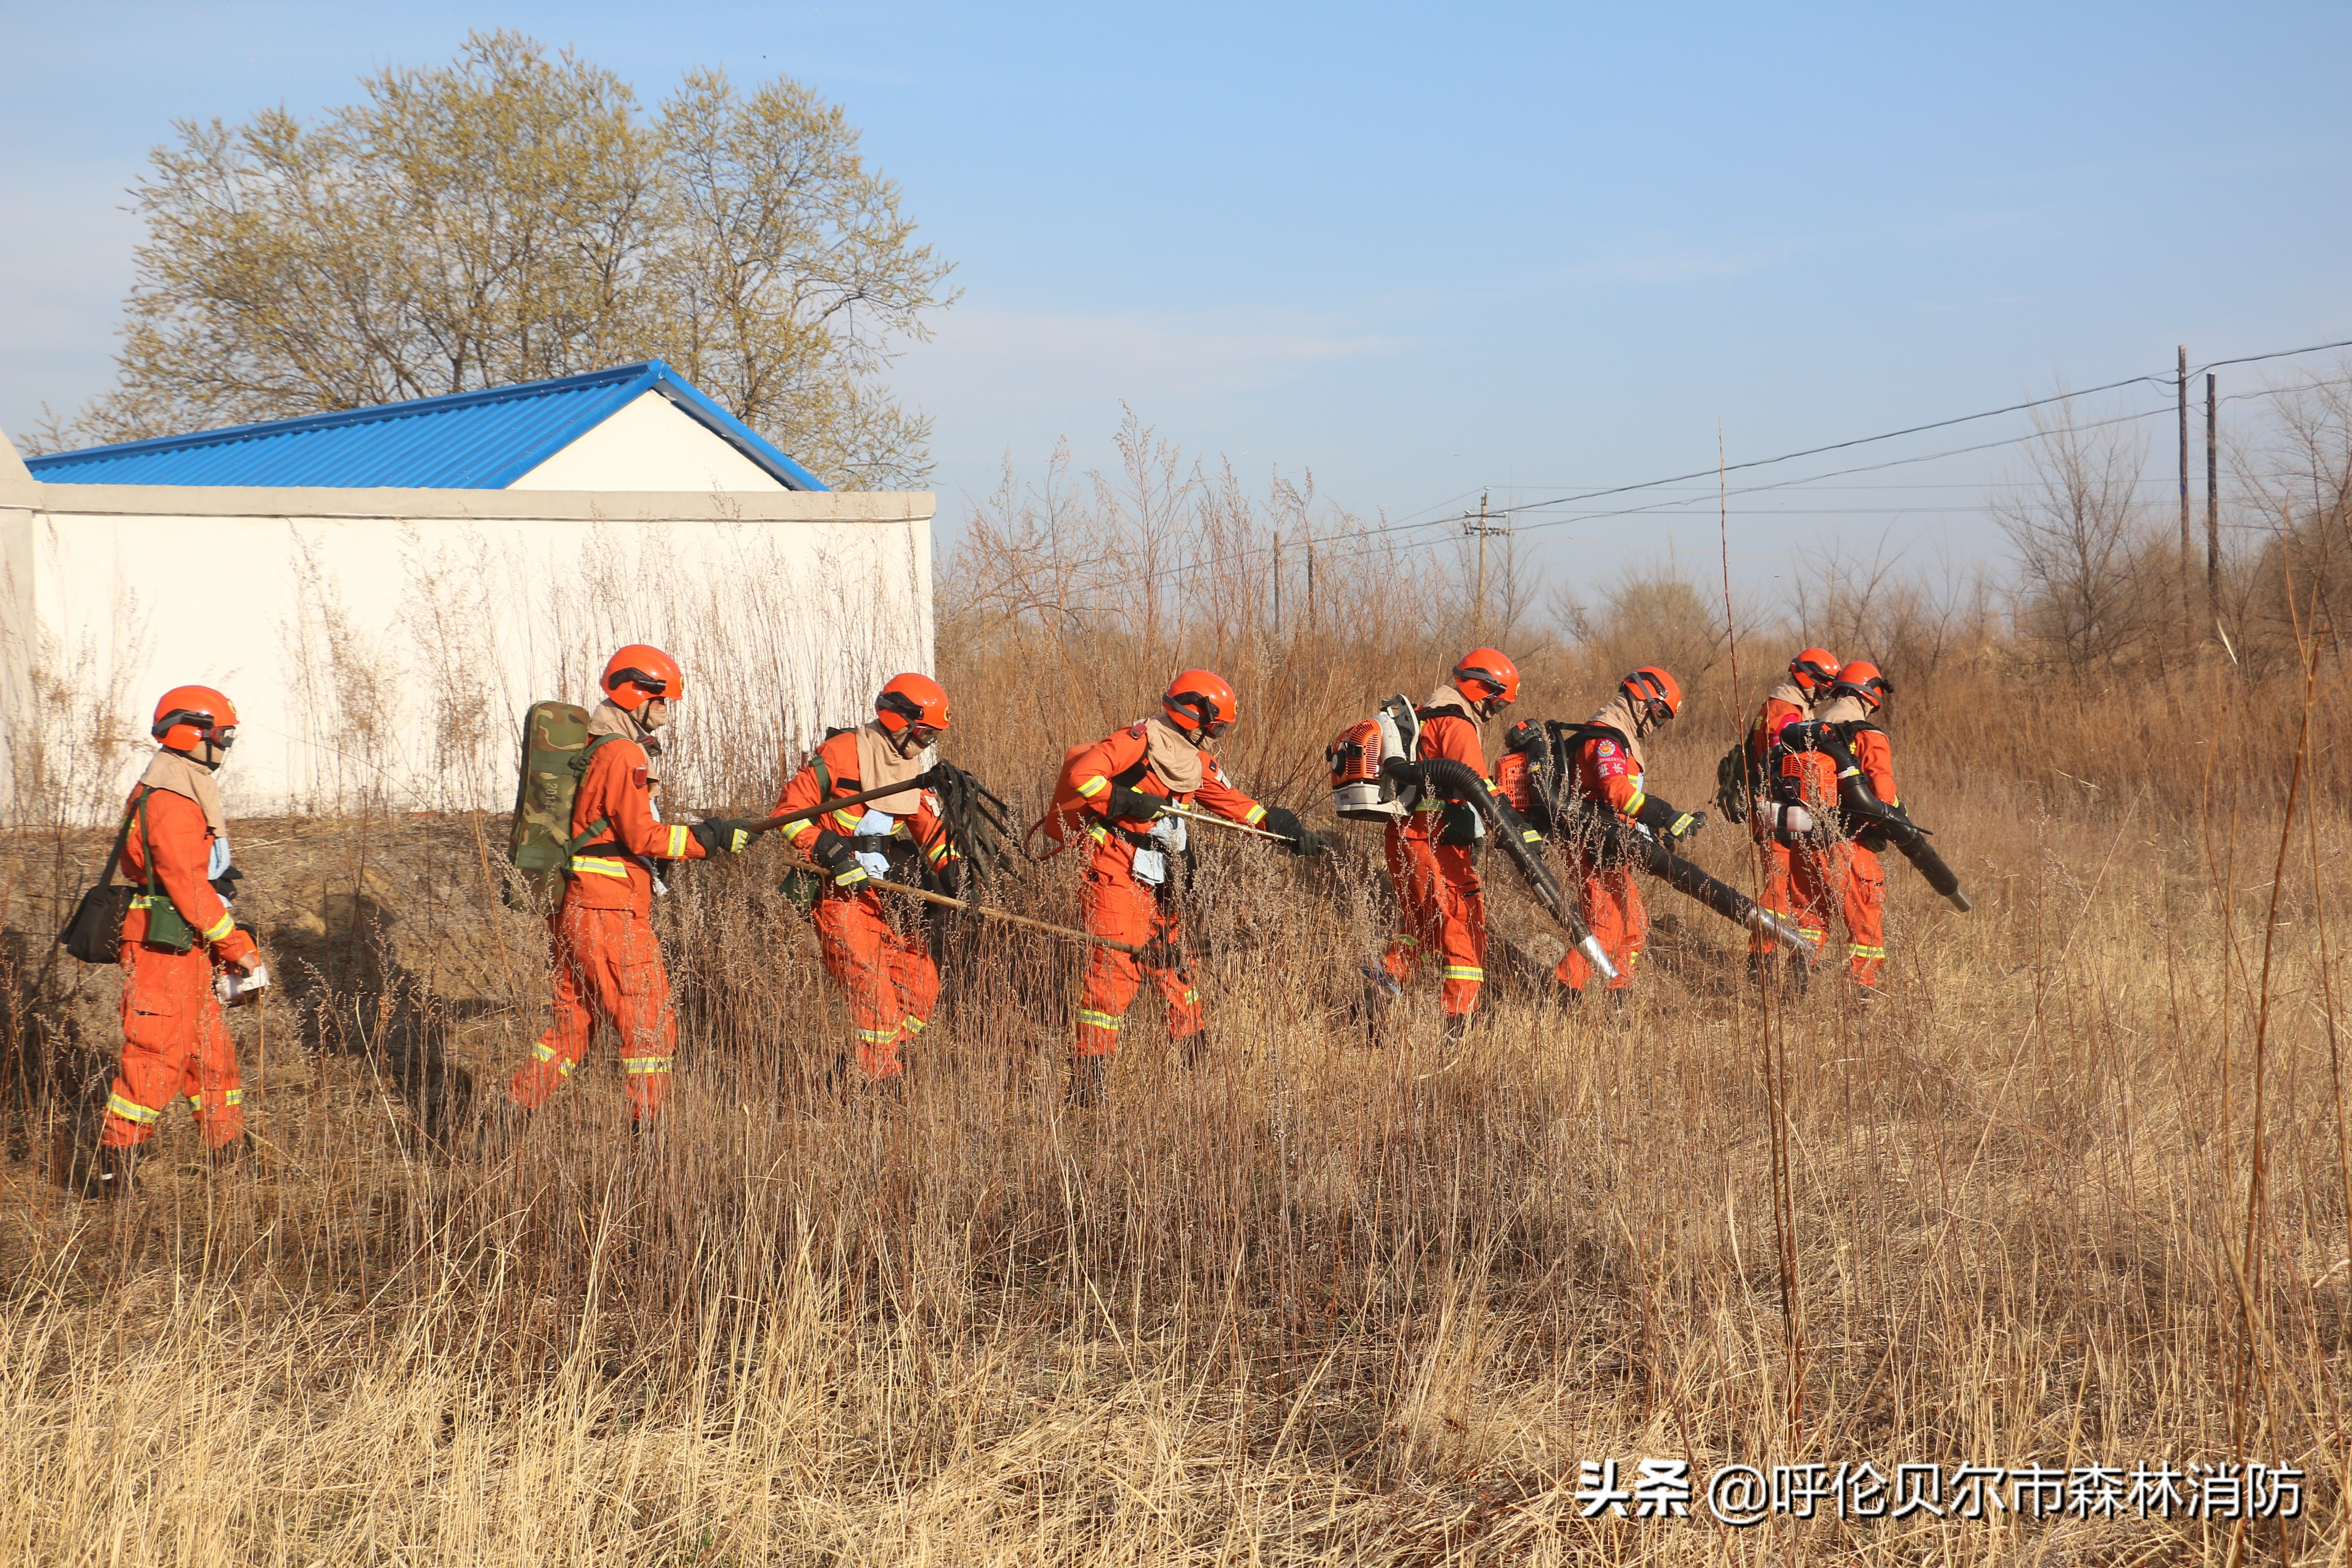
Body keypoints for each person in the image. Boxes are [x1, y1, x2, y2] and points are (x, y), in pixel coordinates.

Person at [503, 645, 747, 1132]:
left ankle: (506, 1121)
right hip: (608, 910)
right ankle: (649, 1145)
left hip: (576, 906)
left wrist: (708, 834)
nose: (666, 712)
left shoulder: (597, 748)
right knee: (650, 1025)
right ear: (637, 694)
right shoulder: (622, 753)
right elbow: (642, 837)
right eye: (662, 701)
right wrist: (708, 840)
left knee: (575, 1023)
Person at [1064, 669, 1321, 1099]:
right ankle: (1088, 1085)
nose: (1217, 735)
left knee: (1177, 963)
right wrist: (1128, 801)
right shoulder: (1135, 741)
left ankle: (1196, 1065)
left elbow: (1232, 802)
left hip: (1160, 870)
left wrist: (1280, 828)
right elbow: (1083, 778)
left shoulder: (1193, 761)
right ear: (1193, 715)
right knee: (1115, 971)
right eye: (1216, 726)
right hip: (1115, 865)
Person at [83, 686, 270, 1195]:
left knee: (210, 1053)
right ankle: (112, 1165)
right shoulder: (171, 799)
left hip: (185, 948)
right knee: (155, 1057)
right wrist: (237, 948)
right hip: (161, 952)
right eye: (223, 736)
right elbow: (188, 885)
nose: (226, 747)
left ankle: (227, 1149)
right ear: (194, 732)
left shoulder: (181, 785)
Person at [772, 673, 962, 1085]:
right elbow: (786, 814)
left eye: (933, 739)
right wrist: (826, 846)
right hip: (835, 897)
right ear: (900, 721)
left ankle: (851, 1071)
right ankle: (879, 1090)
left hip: (877, 898)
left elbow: (931, 833)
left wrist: (960, 880)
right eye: (925, 734)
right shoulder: (841, 754)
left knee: (921, 989)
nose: (927, 746)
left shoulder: (909, 770)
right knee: (876, 1002)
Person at [1372, 649, 1519, 1043]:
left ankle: (1384, 986)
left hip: (1405, 837)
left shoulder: (1427, 714)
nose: (1497, 710)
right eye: (1499, 701)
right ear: (1484, 689)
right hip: (1435, 841)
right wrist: (1515, 827)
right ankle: (1457, 1025)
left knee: (1420, 924)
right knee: (1463, 926)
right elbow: (1475, 785)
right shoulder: (1457, 724)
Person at [1554, 667, 1703, 1000]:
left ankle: (1617, 1002)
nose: (1658, 725)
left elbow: (1622, 808)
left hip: (1611, 845)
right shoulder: (1606, 740)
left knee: (1634, 926)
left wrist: (1652, 834)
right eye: (1660, 715)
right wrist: (1667, 814)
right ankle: (1563, 997)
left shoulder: (1620, 738)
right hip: (1591, 845)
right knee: (1605, 931)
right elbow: (1616, 792)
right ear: (1642, 700)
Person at [1775, 660, 1900, 993]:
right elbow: (1883, 795)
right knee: (1866, 924)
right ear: (1871, 694)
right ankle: (1861, 999)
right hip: (1848, 843)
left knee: (1810, 918)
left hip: (1804, 842)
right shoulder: (1866, 733)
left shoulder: (1807, 729)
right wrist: (1900, 823)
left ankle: (1792, 989)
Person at [1743, 648, 1839, 983]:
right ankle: (1766, 967)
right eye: (1824, 684)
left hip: (1774, 810)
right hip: (1785, 812)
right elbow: (1784, 769)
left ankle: (1766, 962)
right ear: (1807, 678)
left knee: (1779, 891)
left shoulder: (1776, 705)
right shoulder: (1787, 714)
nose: (1826, 691)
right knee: (1787, 893)